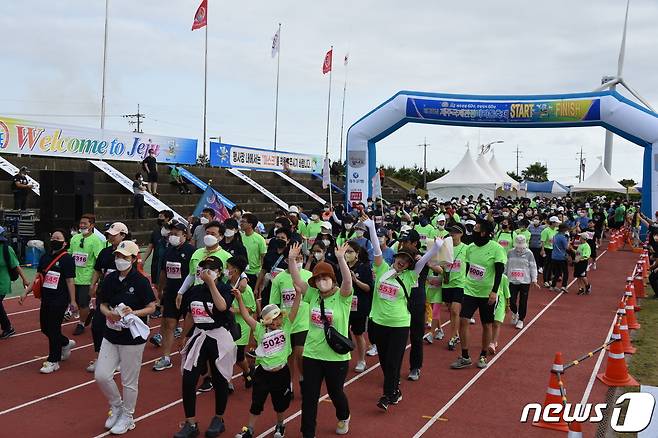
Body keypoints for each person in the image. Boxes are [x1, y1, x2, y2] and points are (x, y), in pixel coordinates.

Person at [363, 213, 443, 410]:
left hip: (399, 325)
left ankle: (387, 395)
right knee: (384, 361)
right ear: (396, 257)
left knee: (392, 361)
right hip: (378, 323)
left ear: (409, 265)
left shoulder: (410, 277)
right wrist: (371, 227)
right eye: (400, 258)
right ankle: (395, 390)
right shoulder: (382, 269)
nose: (402, 262)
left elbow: (423, 261)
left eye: (406, 261)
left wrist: (436, 248)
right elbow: (376, 248)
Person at [288, 242, 353, 437]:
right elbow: (298, 282)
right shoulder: (313, 295)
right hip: (312, 355)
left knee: (335, 393)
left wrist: (341, 259)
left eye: (325, 277)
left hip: (336, 357)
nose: (321, 281)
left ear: (333, 279)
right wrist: (292, 259)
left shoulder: (343, 297)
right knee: (309, 396)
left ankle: (344, 415)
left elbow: (348, 282)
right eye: (318, 278)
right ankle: (307, 432)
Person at [95, 240, 156, 435]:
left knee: (129, 381)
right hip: (111, 334)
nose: (120, 260)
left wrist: (133, 312)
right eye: (118, 256)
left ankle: (129, 416)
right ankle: (117, 405)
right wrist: (108, 313)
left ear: (133, 258)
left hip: (132, 339)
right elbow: (102, 303)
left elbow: (152, 307)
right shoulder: (110, 279)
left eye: (124, 257)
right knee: (101, 375)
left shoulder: (141, 281)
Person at [174, 257, 236, 438]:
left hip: (218, 338)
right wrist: (185, 335)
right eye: (202, 268)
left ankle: (219, 418)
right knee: (188, 380)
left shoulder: (225, 289)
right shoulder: (194, 291)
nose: (205, 272)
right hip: (199, 336)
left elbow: (222, 307)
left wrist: (212, 285)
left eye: (210, 269)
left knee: (219, 380)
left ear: (218, 271)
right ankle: (191, 423)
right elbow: (191, 315)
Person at [232, 281, 302, 438]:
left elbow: (295, 309)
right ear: (266, 321)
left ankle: (280, 425)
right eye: (272, 319)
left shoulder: (286, 326)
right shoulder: (259, 329)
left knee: (280, 404)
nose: (276, 322)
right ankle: (249, 429)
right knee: (257, 403)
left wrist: (298, 294)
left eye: (278, 318)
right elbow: (245, 315)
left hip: (281, 372)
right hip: (263, 373)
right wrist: (240, 299)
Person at [451, 218, 506, 370]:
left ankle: (482, 355)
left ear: (483, 233)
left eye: (475, 228)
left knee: (487, 324)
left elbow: (500, 271)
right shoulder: (470, 248)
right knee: (463, 320)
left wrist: (494, 291)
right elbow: (469, 267)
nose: (472, 230)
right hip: (469, 290)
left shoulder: (496, 248)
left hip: (487, 293)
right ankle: (465, 356)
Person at [19, 230, 77, 373]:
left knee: (53, 328)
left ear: (65, 242)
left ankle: (53, 360)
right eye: (53, 237)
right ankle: (65, 343)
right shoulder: (45, 257)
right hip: (46, 297)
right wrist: (26, 292)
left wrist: (73, 301)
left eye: (58, 238)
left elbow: (70, 281)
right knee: (45, 328)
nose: (54, 239)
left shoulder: (67, 259)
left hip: (60, 299)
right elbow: (38, 277)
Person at [268, 244, 310, 398]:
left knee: (300, 353)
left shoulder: (308, 275)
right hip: (286, 323)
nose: (298, 261)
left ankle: (304, 379)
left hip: (304, 321)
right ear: (287, 260)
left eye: (301, 259)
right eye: (295, 258)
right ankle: (290, 384)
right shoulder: (279, 279)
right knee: (289, 357)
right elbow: (274, 302)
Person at [87, 222, 130, 372]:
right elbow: (98, 270)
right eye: (109, 234)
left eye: (114, 234)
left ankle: (119, 358)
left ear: (123, 235)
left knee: (120, 327)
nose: (110, 237)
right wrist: (93, 285)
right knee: (97, 325)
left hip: (121, 297)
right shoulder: (105, 253)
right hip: (104, 295)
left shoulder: (128, 254)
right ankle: (99, 357)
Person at [152, 221, 195, 371]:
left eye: (176, 234)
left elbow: (194, 274)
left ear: (184, 235)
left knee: (190, 326)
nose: (173, 237)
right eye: (171, 234)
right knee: (169, 323)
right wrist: (160, 288)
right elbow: (164, 271)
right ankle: (166, 357)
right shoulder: (168, 251)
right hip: (170, 292)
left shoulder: (191, 251)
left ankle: (190, 352)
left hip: (187, 294)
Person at [69, 214, 104, 336]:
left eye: (85, 223)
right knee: (75, 302)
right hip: (73, 277)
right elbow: (70, 254)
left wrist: (95, 281)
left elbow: (99, 260)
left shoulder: (96, 241)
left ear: (92, 225)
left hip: (86, 278)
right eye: (81, 223)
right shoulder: (74, 238)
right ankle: (89, 313)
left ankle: (81, 324)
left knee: (83, 303)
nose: (82, 225)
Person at [226, 256, 257, 388]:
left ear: (236, 270)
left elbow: (252, 308)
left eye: (228, 267)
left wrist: (235, 310)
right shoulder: (226, 285)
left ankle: (248, 371)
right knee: (227, 353)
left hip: (241, 325)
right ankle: (228, 381)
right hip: (228, 324)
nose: (226, 270)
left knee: (238, 356)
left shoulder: (246, 290)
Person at [345, 241, 373, 373]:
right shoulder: (342, 265)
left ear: (357, 253)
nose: (347, 254)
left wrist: (355, 281)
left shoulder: (364, 267)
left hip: (359, 306)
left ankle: (361, 360)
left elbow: (368, 288)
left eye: (350, 251)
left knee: (358, 333)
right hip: (344, 305)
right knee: (342, 332)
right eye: (345, 251)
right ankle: (343, 358)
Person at [441, 223, 467, 351]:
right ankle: (456, 333)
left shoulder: (466, 249)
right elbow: (439, 264)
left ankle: (452, 338)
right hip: (446, 283)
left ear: (461, 234)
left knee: (456, 311)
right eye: (451, 232)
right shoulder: (445, 248)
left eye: (455, 232)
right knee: (451, 310)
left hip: (460, 284)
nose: (452, 234)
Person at [0, 227, 29, 338]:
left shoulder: (6, 249)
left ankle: (8, 328)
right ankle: (7, 327)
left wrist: (25, 279)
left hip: (2, 282)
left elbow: (16, 266)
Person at [144, 210, 174, 317]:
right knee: (157, 285)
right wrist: (143, 260)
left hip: (168, 265)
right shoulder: (156, 232)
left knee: (166, 286)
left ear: (168, 218)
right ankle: (161, 303)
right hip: (156, 263)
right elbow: (150, 246)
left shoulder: (174, 233)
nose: (159, 218)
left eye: (161, 216)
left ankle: (161, 306)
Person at [505, 235, 538, 330]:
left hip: (525, 281)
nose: (519, 247)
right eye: (518, 245)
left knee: (523, 302)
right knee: (511, 301)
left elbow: (533, 266)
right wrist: (503, 276)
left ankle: (521, 320)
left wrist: (534, 279)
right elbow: (506, 265)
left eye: (521, 245)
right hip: (512, 280)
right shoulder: (510, 252)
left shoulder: (529, 253)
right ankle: (515, 313)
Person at [241, 214, 267, 290]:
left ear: (250, 224)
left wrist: (261, 274)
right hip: (242, 273)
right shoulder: (240, 237)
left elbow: (263, 257)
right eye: (241, 221)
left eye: (243, 221)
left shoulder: (259, 239)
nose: (241, 223)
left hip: (254, 273)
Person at [550, 224, 571, 293]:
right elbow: (566, 247)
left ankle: (553, 286)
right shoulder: (563, 237)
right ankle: (563, 286)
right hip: (561, 257)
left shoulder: (555, 236)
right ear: (564, 229)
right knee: (565, 272)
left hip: (554, 256)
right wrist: (568, 240)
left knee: (557, 272)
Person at [540, 216, 560, 287]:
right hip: (547, 249)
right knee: (547, 265)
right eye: (557, 222)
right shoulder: (546, 231)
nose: (558, 223)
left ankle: (549, 279)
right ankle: (545, 281)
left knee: (552, 265)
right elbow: (542, 241)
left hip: (554, 250)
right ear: (553, 223)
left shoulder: (557, 230)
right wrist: (542, 250)